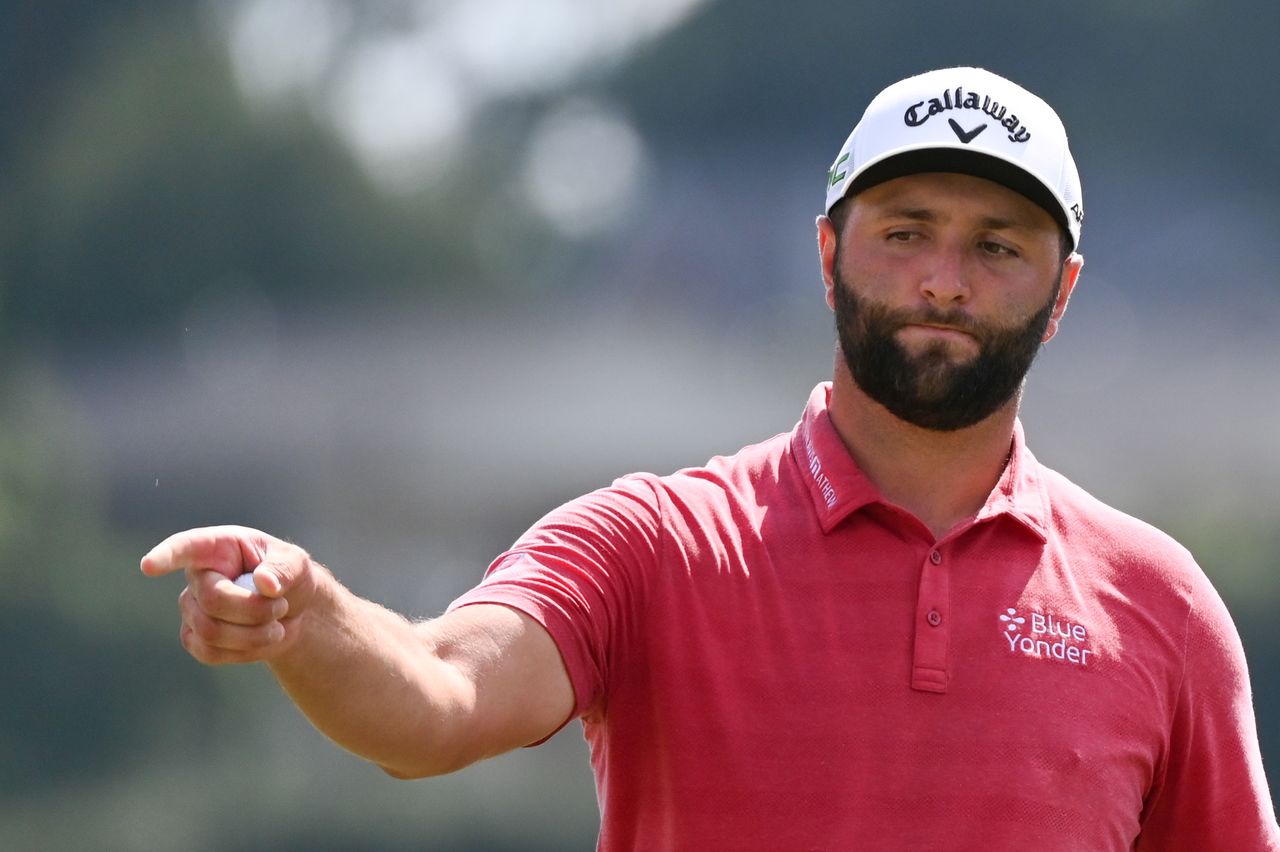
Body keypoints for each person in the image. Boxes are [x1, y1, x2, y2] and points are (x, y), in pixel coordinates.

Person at [142, 67, 1280, 850]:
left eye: (996, 246)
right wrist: (313, 619)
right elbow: (439, 697)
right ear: (828, 251)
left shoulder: (1158, 606)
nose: (943, 279)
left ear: (1062, 290)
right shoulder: (653, 546)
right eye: (903, 232)